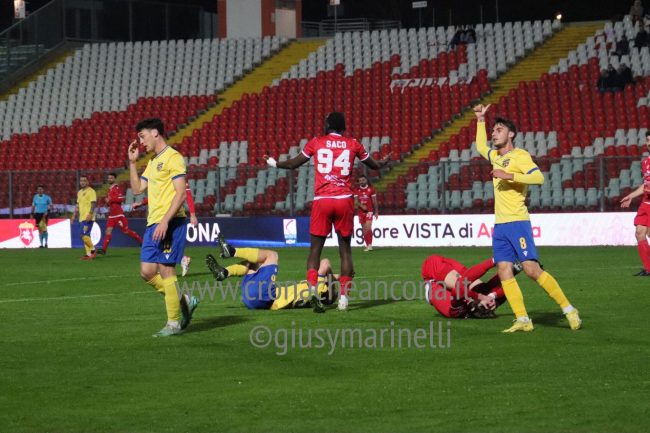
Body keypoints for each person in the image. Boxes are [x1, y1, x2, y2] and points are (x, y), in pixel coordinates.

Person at [264, 112, 390, 311]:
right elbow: (374, 165)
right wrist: (384, 162)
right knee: (345, 251)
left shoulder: (316, 142)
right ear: (343, 127)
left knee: (315, 250)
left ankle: (313, 291)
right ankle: (343, 300)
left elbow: (294, 163)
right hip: (344, 200)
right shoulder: (353, 144)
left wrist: (274, 163)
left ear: (328, 125)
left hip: (322, 200)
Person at [473, 104, 582, 332]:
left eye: (499, 130)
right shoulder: (495, 156)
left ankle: (569, 309)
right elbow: (481, 146)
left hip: (517, 222)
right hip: (500, 225)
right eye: (493, 130)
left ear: (511, 134)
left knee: (531, 269)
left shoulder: (520, 156)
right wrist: (481, 120)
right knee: (503, 270)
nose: (494, 134)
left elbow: (538, 177)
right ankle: (522, 319)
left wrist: (509, 175)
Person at [128, 118, 198, 337]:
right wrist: (132, 163)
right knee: (147, 272)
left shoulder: (173, 157)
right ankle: (184, 300)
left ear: (155, 133)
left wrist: (166, 220)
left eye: (142, 136)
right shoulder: (152, 161)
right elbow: (137, 189)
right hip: (153, 224)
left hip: (171, 221)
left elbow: (180, 193)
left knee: (166, 269)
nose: (141, 142)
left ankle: (173, 323)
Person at [205, 234, 334, 312]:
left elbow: (325, 263)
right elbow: (331, 278)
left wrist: (332, 276)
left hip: (265, 295)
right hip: (254, 299)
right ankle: (224, 272)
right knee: (253, 263)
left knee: (272, 255)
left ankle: (232, 251)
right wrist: (337, 279)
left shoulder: (319, 287)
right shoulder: (314, 289)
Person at [133, 181, 198, 276]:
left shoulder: (178, 178)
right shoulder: (163, 179)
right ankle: (182, 259)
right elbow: (157, 196)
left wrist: (192, 215)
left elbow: (187, 194)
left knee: (165, 252)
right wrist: (142, 203)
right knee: (161, 248)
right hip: (160, 218)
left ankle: (174, 267)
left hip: (172, 218)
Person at [421, 254, 507, 318]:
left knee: (464, 285)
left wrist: (493, 261)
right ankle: (510, 263)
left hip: (433, 275)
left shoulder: (457, 310)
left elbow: (458, 290)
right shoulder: (476, 304)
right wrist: (492, 296)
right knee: (486, 288)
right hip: (458, 276)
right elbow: (507, 286)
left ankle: (496, 259)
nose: (488, 303)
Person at [620, 130, 650, 276]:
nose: (649, 143)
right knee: (639, 232)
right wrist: (631, 196)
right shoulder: (645, 162)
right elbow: (646, 185)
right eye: (648, 140)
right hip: (646, 202)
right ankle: (649, 268)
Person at [96, 173, 143, 255]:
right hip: (111, 215)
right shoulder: (110, 189)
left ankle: (141, 242)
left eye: (111, 178)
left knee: (126, 231)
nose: (109, 179)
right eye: (109, 178)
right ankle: (104, 250)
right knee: (108, 231)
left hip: (118, 215)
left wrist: (110, 200)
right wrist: (107, 204)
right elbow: (112, 201)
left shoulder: (116, 188)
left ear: (114, 179)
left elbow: (120, 198)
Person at [70, 176, 97, 260]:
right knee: (85, 236)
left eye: (84, 180)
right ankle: (88, 254)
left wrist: (90, 214)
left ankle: (93, 250)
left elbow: (93, 204)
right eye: (81, 181)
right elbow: (77, 205)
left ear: (87, 182)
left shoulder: (91, 191)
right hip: (81, 218)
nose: (82, 182)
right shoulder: (79, 192)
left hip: (88, 217)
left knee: (84, 235)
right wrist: (73, 215)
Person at [353, 175, 379, 251]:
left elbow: (374, 201)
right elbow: (355, 202)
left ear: (366, 180)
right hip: (361, 211)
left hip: (369, 211)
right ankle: (367, 245)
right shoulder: (356, 190)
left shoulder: (371, 189)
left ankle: (370, 245)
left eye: (363, 180)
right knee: (364, 229)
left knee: (368, 227)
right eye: (360, 180)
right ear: (359, 182)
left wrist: (376, 212)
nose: (362, 181)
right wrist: (361, 206)